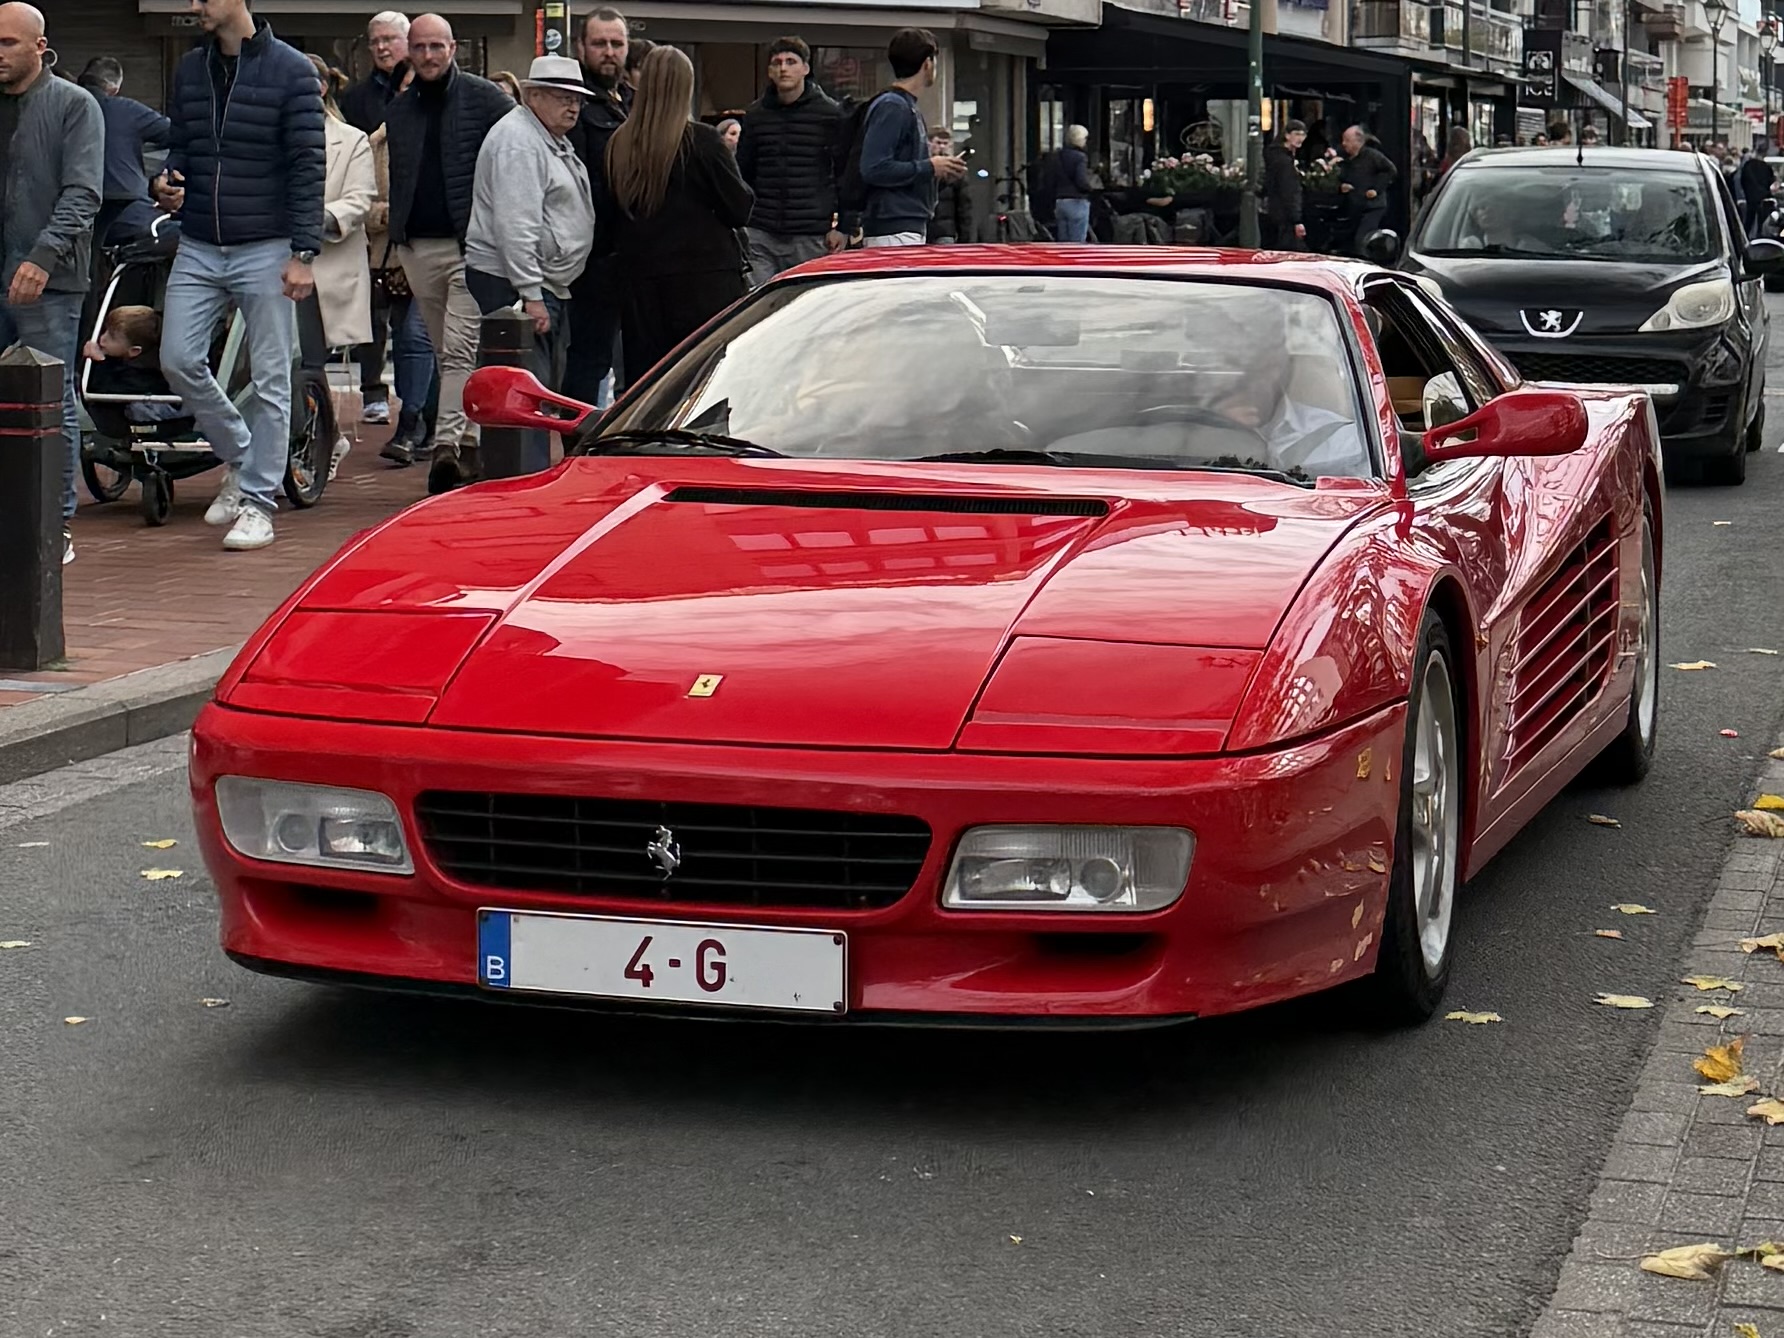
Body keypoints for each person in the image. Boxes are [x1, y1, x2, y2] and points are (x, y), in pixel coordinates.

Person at [153, 0, 324, 552]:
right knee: (176, 358)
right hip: (200, 240)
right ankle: (244, 455)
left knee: (273, 377)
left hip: (267, 245)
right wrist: (168, 181)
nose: (194, 6)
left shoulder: (292, 69)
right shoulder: (189, 67)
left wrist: (304, 253)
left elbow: (307, 162)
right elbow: (182, 146)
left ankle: (257, 503)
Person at [382, 12, 512, 493]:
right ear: (409, 51)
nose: (429, 56)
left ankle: (445, 448)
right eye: (420, 48)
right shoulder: (399, 110)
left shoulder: (485, 99)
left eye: (438, 46)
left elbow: (514, 153)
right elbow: (400, 175)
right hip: (418, 246)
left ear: (454, 48)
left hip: (470, 247)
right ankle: (473, 441)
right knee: (447, 352)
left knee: (458, 349)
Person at [0, 4, 104, 567]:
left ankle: (55, 521)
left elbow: (83, 193)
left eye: (9, 43)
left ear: (40, 47)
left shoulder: (73, 104)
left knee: (50, 401)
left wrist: (43, 256)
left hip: (50, 278)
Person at [464, 55, 596, 473]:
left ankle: (528, 473)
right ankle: (524, 478)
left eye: (576, 97)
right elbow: (515, 225)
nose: (572, 106)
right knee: (524, 394)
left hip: (539, 281)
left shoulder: (543, 136)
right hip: (517, 284)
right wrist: (531, 294)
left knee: (534, 389)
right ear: (533, 95)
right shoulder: (520, 141)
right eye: (561, 97)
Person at [602, 44, 753, 381]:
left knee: (650, 385)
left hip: (641, 284)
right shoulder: (701, 141)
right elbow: (738, 208)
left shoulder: (619, 145)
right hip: (705, 282)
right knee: (704, 383)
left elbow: (611, 217)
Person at [302, 53, 376, 481]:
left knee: (309, 361)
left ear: (322, 88)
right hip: (270, 267)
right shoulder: (271, 139)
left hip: (325, 268)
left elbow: (360, 198)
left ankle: (324, 438)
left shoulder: (351, 140)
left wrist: (317, 221)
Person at [340, 11, 411, 426]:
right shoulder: (356, 97)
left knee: (410, 323)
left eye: (391, 39)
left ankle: (412, 398)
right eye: (376, 41)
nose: (383, 47)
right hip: (367, 218)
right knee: (370, 314)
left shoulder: (419, 91)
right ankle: (372, 392)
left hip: (412, 221)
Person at [735, 36, 847, 284]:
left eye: (791, 61)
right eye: (777, 62)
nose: (783, 68)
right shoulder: (756, 115)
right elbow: (743, 171)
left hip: (810, 230)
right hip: (761, 228)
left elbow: (843, 172)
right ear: (769, 71)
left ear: (805, 69)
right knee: (759, 307)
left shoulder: (829, 114)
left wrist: (844, 225)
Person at [565, 5, 631, 406]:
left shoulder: (633, 102)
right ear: (581, 46)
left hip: (636, 250)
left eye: (617, 43)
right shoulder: (573, 104)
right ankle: (579, 445)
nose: (609, 51)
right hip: (593, 254)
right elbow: (578, 183)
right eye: (600, 43)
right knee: (589, 358)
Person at [858, 27, 964, 248]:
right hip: (893, 227)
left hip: (903, 224)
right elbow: (874, 167)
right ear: (927, 64)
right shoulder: (893, 106)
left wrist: (937, 171)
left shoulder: (904, 105)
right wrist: (930, 167)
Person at [75, 56, 168, 250]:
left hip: (70, 220)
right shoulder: (127, 109)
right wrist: (165, 174)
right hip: (130, 216)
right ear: (115, 89)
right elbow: (181, 135)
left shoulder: (61, 107)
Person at [81, 305, 178, 424]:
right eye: (106, 330)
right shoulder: (119, 358)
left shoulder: (146, 373)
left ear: (134, 351)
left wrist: (100, 361)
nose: (102, 338)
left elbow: (108, 392)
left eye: (112, 337)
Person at [341, 11, 409, 135]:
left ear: (409, 40)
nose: (381, 47)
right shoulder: (354, 99)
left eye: (388, 39)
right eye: (374, 42)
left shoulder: (433, 87)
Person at [1336, 124, 1396, 257]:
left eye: (1347, 140)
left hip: (1373, 207)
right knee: (1349, 241)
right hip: (1355, 206)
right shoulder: (1345, 158)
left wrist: (1376, 188)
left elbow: (1390, 170)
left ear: (1358, 141)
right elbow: (1341, 177)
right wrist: (1341, 186)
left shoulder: (1373, 156)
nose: (1344, 144)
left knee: (1362, 239)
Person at [1261, 119, 1306, 250]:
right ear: (1287, 135)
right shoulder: (1284, 162)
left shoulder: (1277, 156)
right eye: (1296, 134)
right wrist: (1296, 219)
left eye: (1303, 134)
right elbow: (1289, 190)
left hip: (1274, 212)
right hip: (1283, 216)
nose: (1300, 138)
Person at [926, 127, 974, 244]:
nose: (942, 147)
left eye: (945, 143)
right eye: (938, 143)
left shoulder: (955, 171)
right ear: (929, 143)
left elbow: (964, 206)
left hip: (945, 231)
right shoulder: (922, 167)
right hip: (926, 228)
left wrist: (964, 236)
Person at [1052, 124, 1093, 243]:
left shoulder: (1058, 155)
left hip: (1060, 201)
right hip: (1077, 201)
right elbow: (1081, 181)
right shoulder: (1080, 157)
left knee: (1063, 242)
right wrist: (1090, 189)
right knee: (1077, 242)